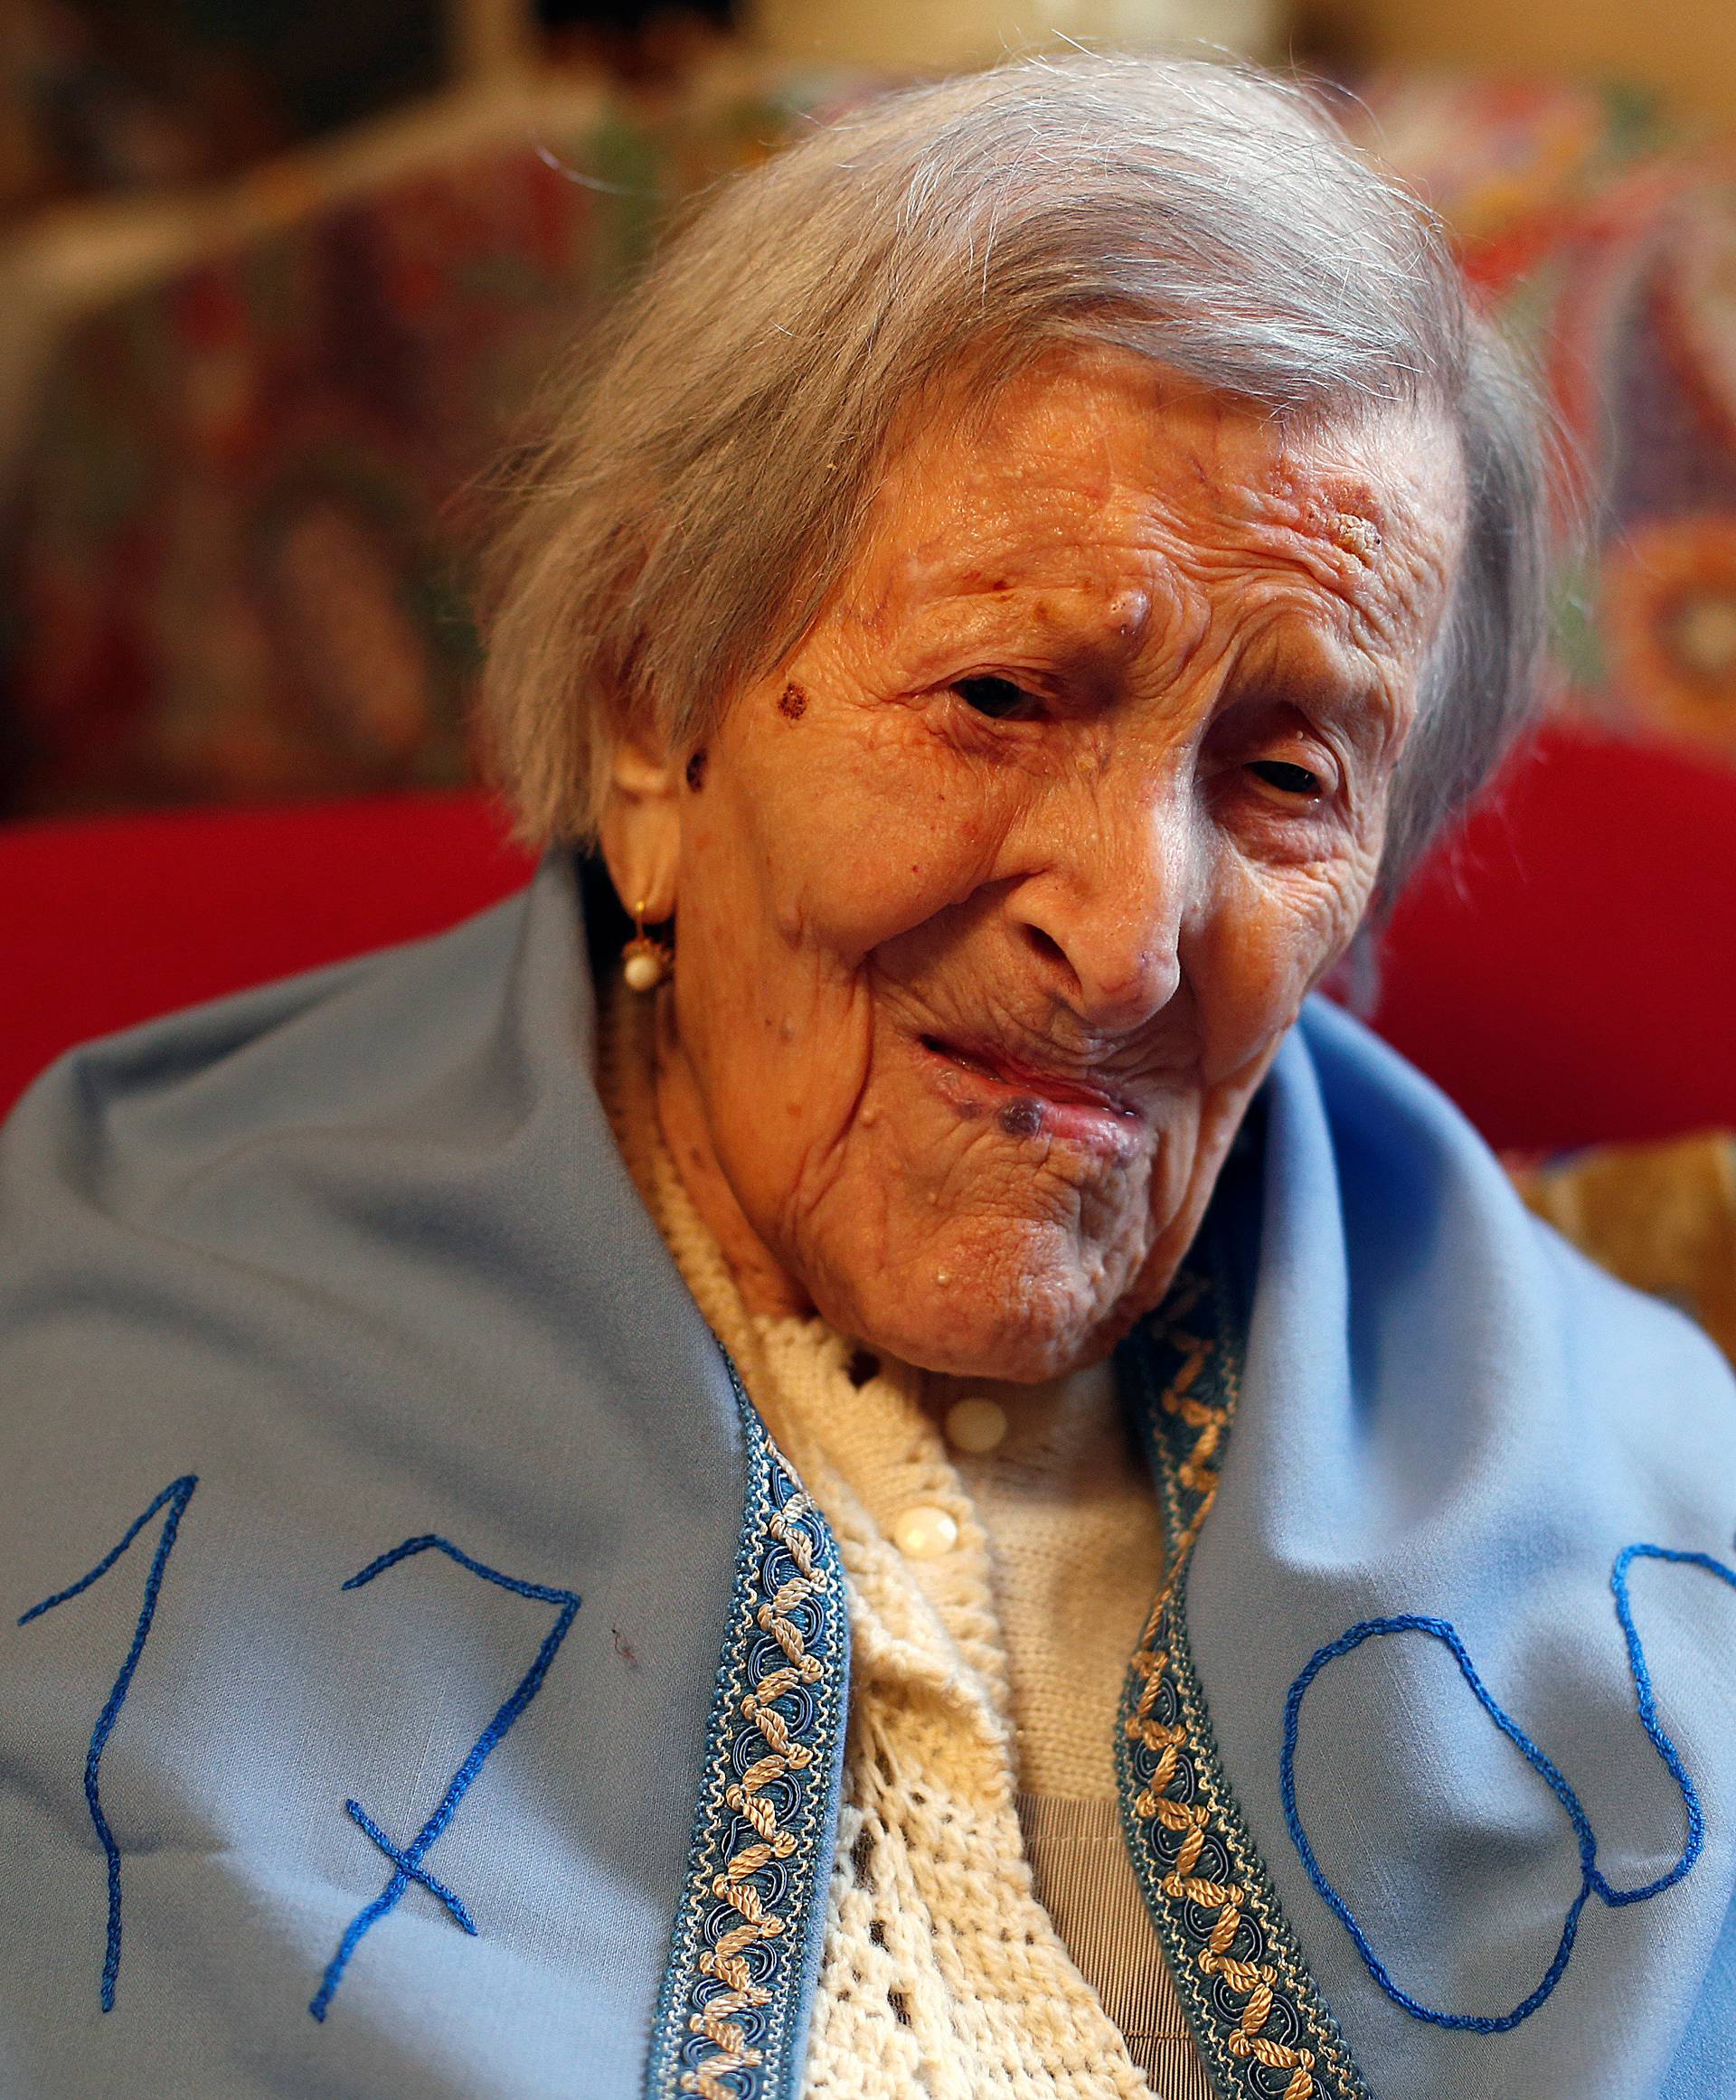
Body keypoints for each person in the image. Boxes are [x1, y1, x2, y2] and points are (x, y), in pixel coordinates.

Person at [3, 52, 1734, 2100]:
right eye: (1000, 696)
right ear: (659, 708)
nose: (1126, 931)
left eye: (1284, 773)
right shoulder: (103, 1351)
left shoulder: (1651, 1495)